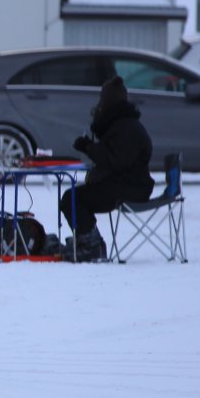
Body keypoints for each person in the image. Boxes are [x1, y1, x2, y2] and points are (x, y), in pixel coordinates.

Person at [59, 76, 153, 262]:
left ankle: (91, 244)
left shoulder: (125, 128)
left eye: (102, 100)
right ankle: (88, 239)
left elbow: (114, 160)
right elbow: (112, 156)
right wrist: (90, 146)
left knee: (72, 199)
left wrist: (88, 147)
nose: (99, 106)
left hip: (130, 188)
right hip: (129, 185)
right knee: (74, 197)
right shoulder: (124, 124)